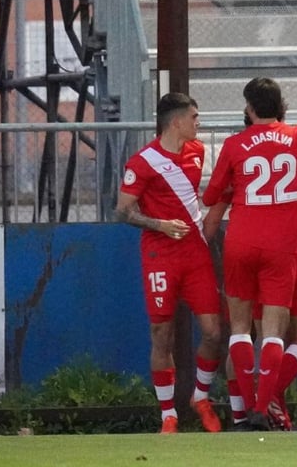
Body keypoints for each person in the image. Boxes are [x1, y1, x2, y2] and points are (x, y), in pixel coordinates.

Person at [201, 77, 297, 430]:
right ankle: (262, 409)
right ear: (281, 105)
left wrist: (232, 185)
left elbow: (211, 197)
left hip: (241, 241)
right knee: (274, 332)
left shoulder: (234, 145)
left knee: (240, 329)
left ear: (249, 108)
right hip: (282, 246)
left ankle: (245, 412)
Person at [114, 93, 223, 434]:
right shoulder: (142, 162)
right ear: (176, 122)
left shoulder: (197, 152)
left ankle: (200, 397)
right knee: (162, 333)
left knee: (213, 331)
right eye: (194, 117)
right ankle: (168, 414)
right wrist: (160, 224)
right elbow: (122, 211)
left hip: (195, 252)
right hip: (160, 254)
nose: (198, 123)